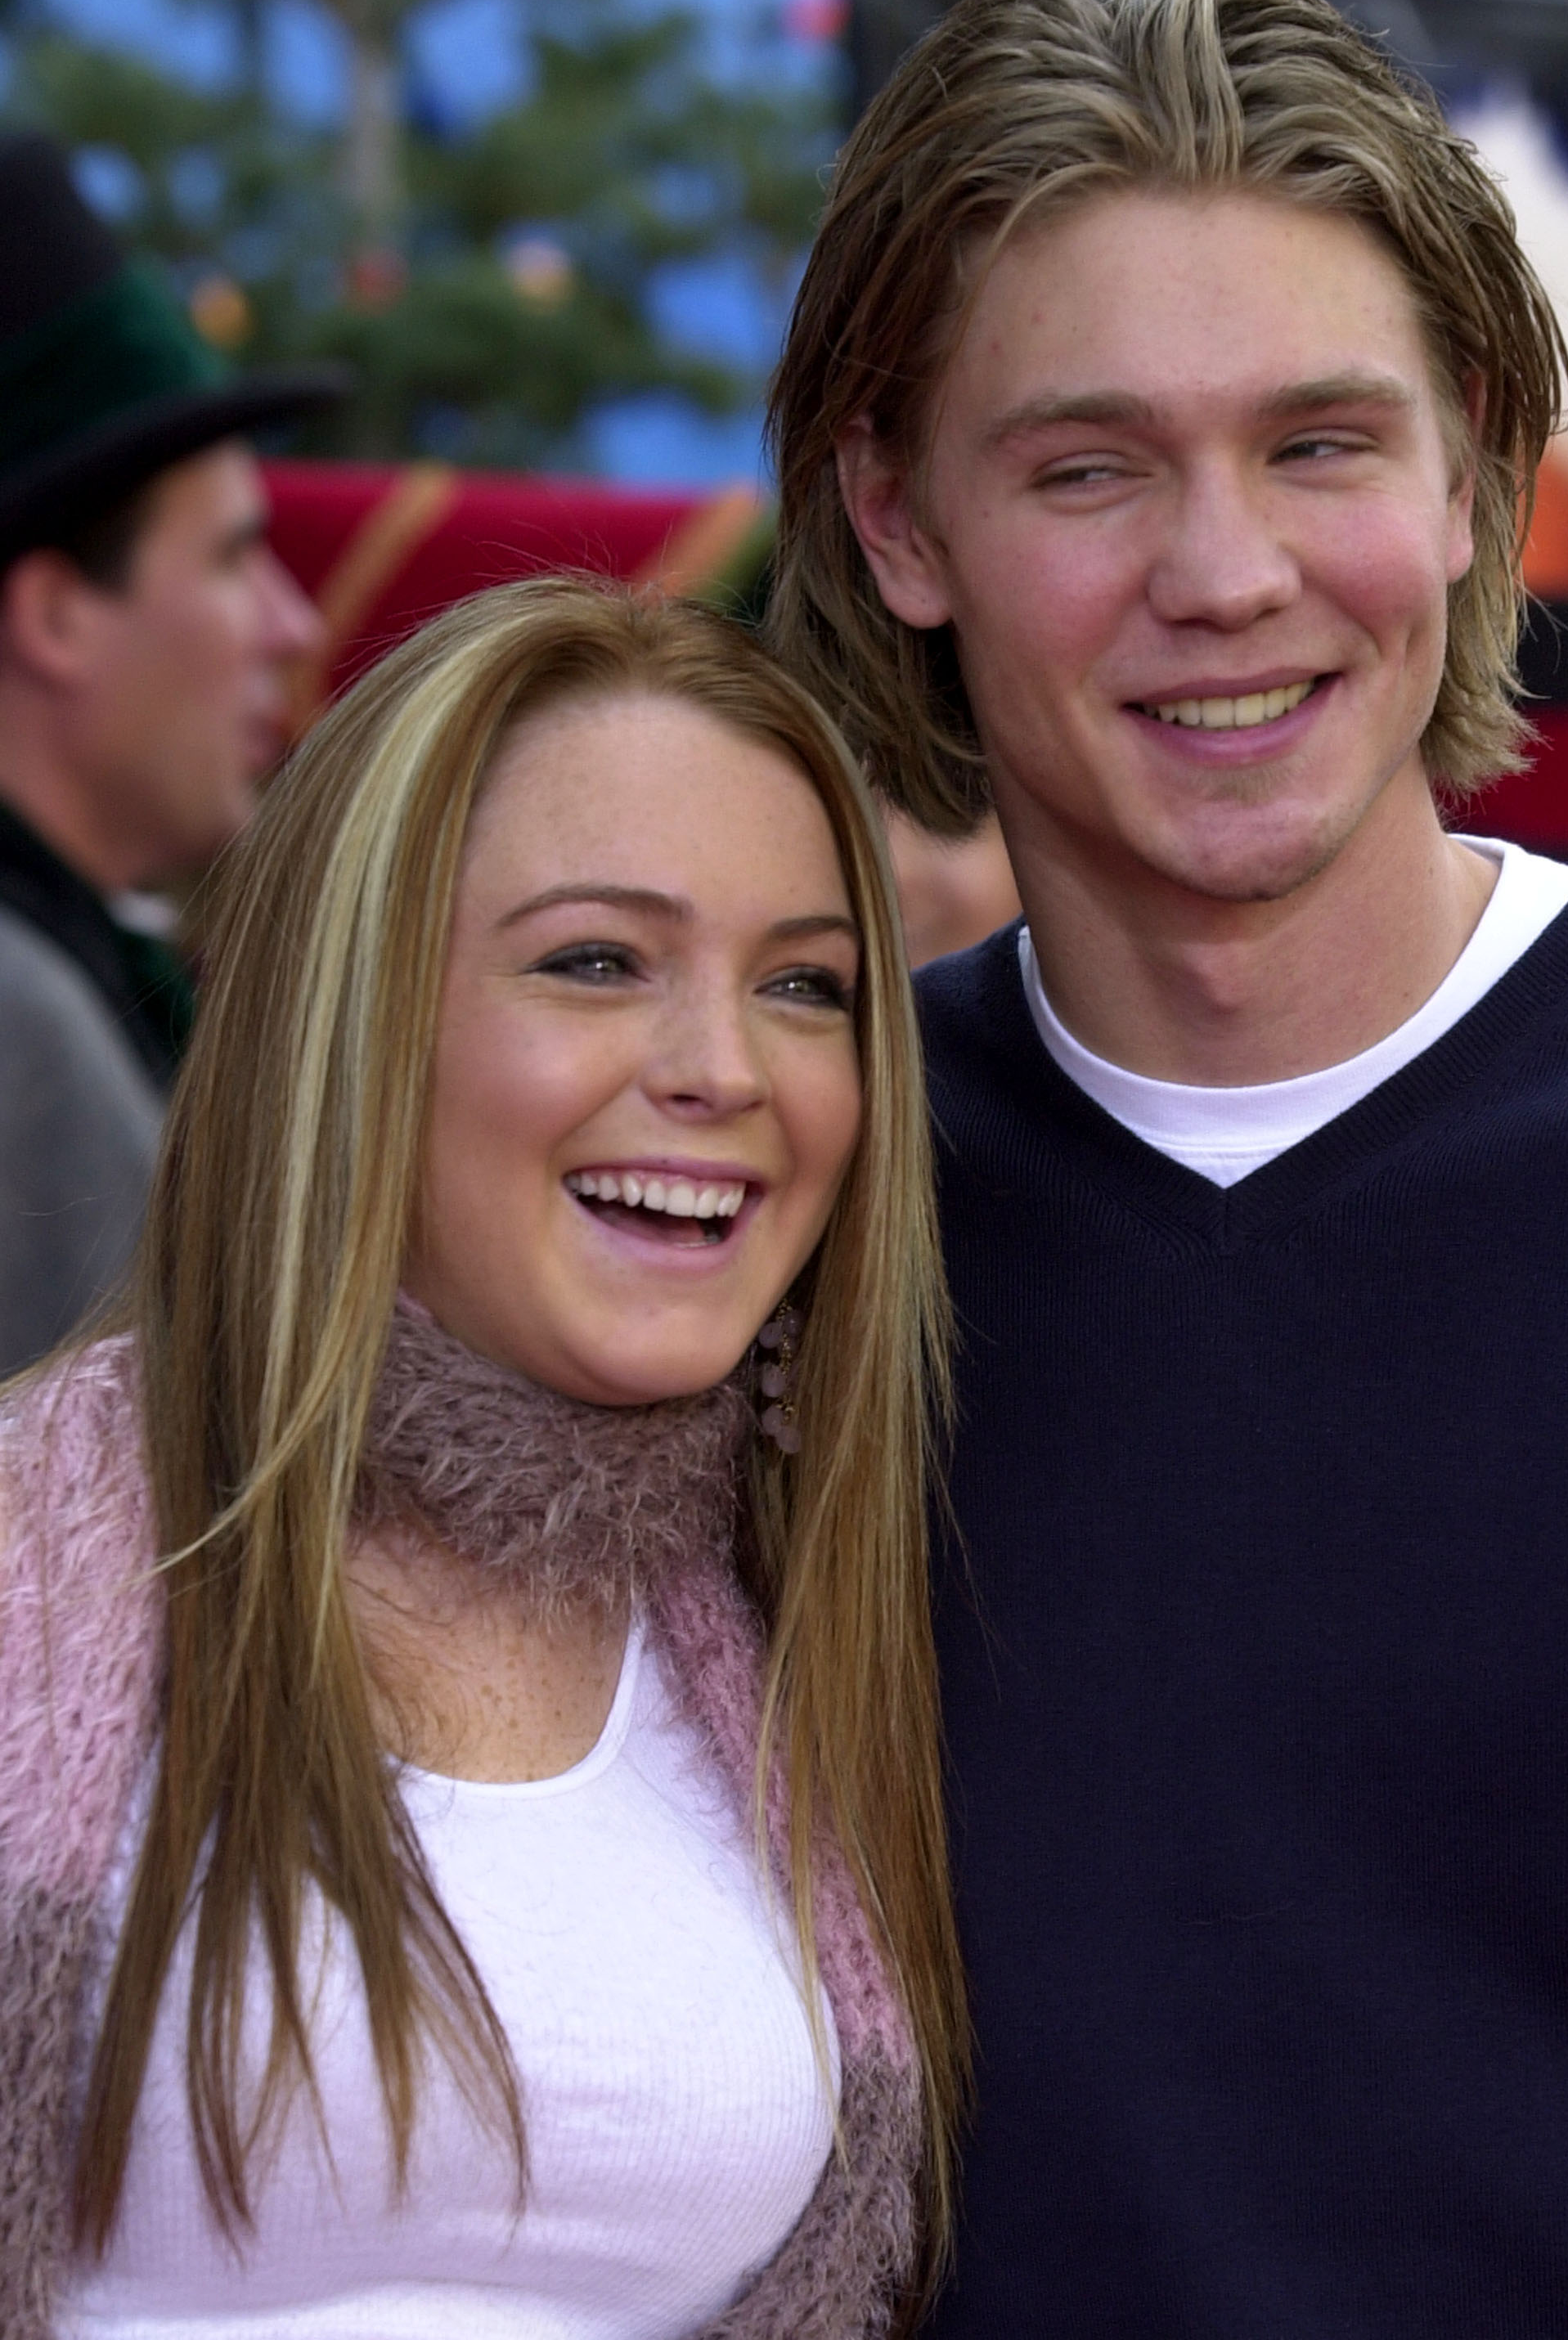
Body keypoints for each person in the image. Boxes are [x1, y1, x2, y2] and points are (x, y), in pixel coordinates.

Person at [767, 0, 1568, 2339]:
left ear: (1472, 470)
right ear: (893, 518)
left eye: (1316, 443)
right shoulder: (781, 1208)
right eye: (1086, 466)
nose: (1223, 571)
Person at [0, 579, 964, 2333]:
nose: (721, 1069)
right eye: (597, 960)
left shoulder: (824, 1608)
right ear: (349, 1012)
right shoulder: (33, 1564)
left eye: (807, 985)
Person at [0, 132, 334, 1373]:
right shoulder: (18, 1023)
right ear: (56, 616)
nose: (292, 628)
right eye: (233, 558)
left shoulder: (79, 967)